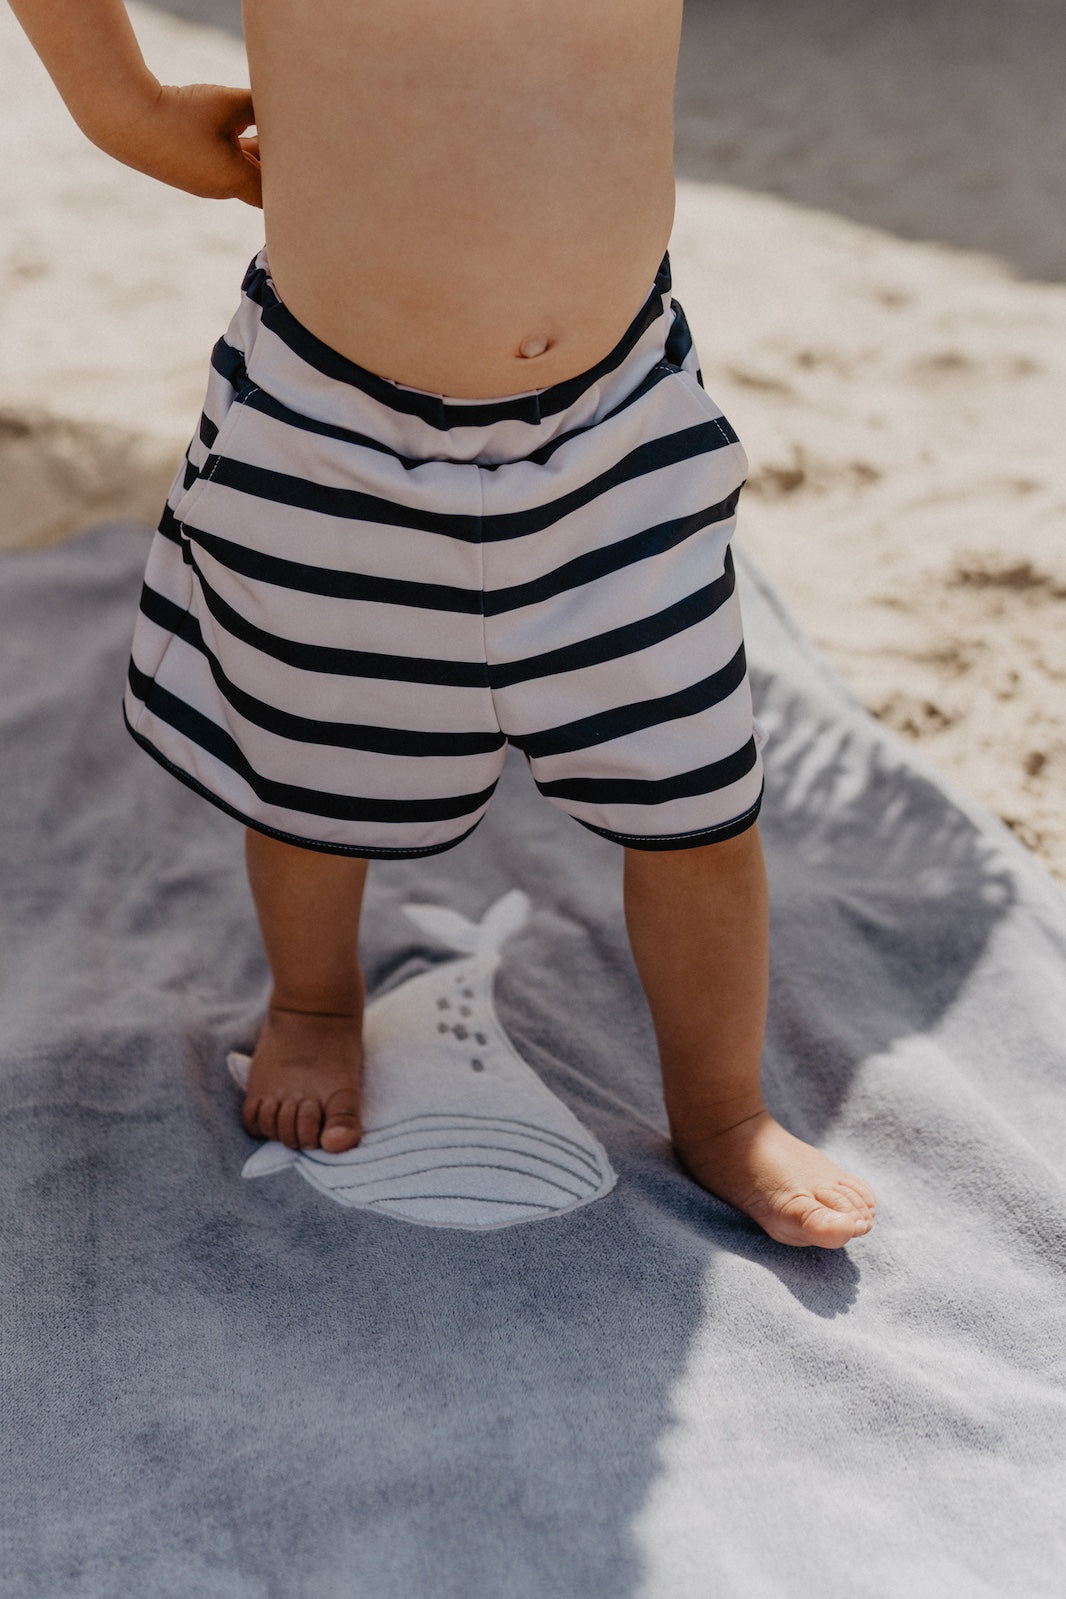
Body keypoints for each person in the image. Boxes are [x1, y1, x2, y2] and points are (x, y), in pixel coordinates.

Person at [9, 0, 876, 1248]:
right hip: (331, 426)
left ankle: (722, 1109)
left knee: (692, 783)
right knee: (318, 748)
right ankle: (314, 999)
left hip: (614, 424)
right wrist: (123, 102)